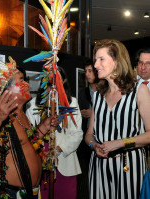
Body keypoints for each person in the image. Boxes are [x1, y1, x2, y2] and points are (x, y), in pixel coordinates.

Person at [0, 68, 58, 199]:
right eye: (22, 80)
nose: (28, 84)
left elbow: (28, 142)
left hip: (31, 192)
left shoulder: (22, 115)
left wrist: (43, 127)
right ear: (7, 90)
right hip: (7, 193)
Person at [85, 39, 150, 199]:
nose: (96, 65)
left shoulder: (139, 91)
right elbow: (89, 134)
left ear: (116, 61)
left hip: (130, 165)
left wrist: (121, 143)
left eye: (101, 59)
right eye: (95, 60)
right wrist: (94, 146)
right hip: (99, 166)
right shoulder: (99, 94)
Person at [26, 67, 83, 199]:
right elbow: (29, 136)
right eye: (49, 80)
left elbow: (77, 133)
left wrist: (57, 150)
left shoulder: (72, 103)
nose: (53, 84)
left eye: (57, 80)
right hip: (40, 159)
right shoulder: (33, 105)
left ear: (63, 81)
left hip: (65, 159)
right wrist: (41, 152)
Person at [76, 58, 98, 199]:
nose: (88, 74)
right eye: (86, 72)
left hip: (102, 138)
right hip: (85, 138)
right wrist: (82, 114)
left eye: (90, 71)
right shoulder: (82, 92)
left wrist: (94, 113)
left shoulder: (106, 91)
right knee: (85, 175)